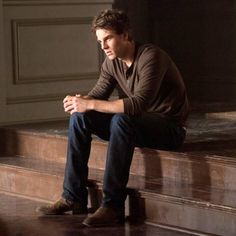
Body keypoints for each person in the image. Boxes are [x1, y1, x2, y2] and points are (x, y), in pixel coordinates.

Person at [36, 9, 189, 227]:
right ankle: (73, 196)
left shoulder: (151, 56)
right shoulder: (111, 62)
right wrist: (79, 101)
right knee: (81, 117)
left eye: (108, 38)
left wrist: (90, 103)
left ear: (125, 35)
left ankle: (112, 205)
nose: (103, 46)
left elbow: (138, 104)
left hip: (169, 129)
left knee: (122, 119)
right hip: (137, 124)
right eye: (100, 41)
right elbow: (97, 96)